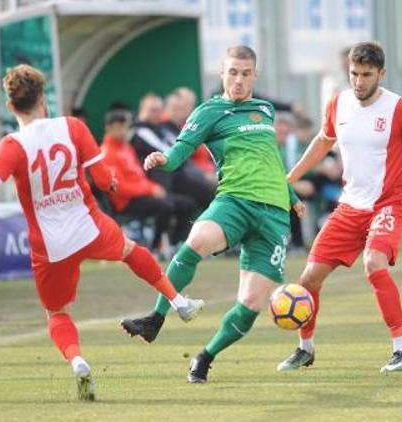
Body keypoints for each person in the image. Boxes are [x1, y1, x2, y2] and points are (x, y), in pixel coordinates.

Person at [0, 64, 204, 401]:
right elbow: (103, 179)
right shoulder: (72, 127)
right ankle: (178, 300)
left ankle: (78, 361)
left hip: (49, 245)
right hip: (87, 224)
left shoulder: (12, 146)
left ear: (10, 107)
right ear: (43, 100)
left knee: (58, 313)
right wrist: (111, 181)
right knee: (129, 250)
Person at [120, 46, 303, 383]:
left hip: (275, 215)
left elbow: (270, 157)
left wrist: (291, 195)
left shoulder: (264, 109)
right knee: (197, 240)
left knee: (250, 305)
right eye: (232, 72)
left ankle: (205, 357)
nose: (238, 79)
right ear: (222, 73)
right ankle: (155, 319)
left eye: (246, 73)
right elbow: (179, 152)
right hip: (234, 200)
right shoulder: (209, 111)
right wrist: (164, 159)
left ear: (255, 76)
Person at [276, 41, 402, 373]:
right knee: (308, 279)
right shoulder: (338, 103)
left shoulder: (400, 108)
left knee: (374, 263)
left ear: (381, 73)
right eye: (354, 73)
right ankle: (305, 349)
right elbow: (324, 141)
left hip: (388, 204)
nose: (359, 81)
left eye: (367, 74)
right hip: (350, 207)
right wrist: (290, 176)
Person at [101, 109, 197, 250]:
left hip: (141, 195)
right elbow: (119, 188)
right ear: (108, 128)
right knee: (166, 207)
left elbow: (139, 177)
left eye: (124, 127)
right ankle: (154, 248)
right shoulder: (107, 153)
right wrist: (151, 189)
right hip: (125, 202)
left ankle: (177, 244)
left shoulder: (126, 148)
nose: (122, 131)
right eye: (118, 127)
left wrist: (153, 188)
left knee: (188, 204)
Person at [132, 93, 216, 212]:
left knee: (207, 195)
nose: (156, 114)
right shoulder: (141, 131)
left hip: (177, 175)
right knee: (206, 195)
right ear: (142, 111)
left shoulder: (160, 128)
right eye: (152, 110)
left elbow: (179, 149)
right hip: (164, 181)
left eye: (158, 110)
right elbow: (167, 151)